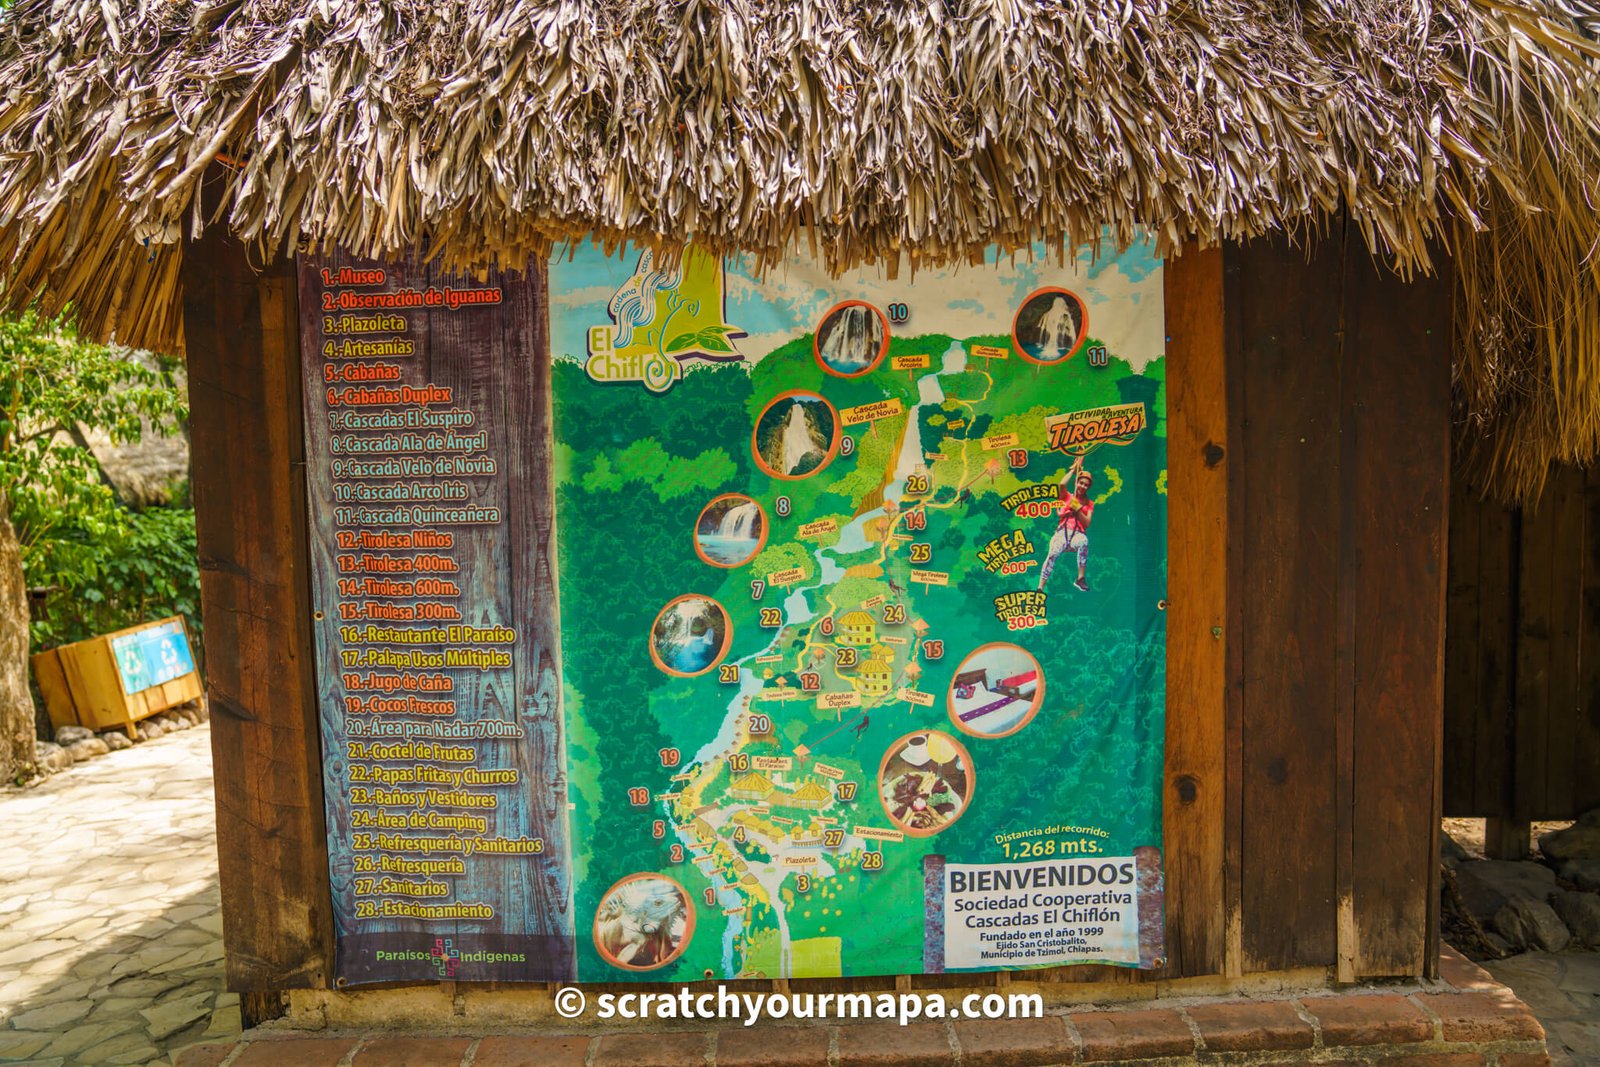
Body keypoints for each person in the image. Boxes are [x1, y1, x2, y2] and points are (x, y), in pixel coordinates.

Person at [1038, 459, 1094, 593]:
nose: (1082, 486)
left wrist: (1078, 508)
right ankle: (1040, 587)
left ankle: (1080, 578)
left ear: (1089, 487)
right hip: (1062, 533)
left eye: (1086, 485)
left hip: (1077, 535)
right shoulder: (1067, 496)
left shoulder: (1089, 503)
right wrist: (1073, 470)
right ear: (1076, 483)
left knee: (1084, 542)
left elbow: (1087, 523)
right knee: (1052, 554)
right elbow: (1062, 484)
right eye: (1080, 483)